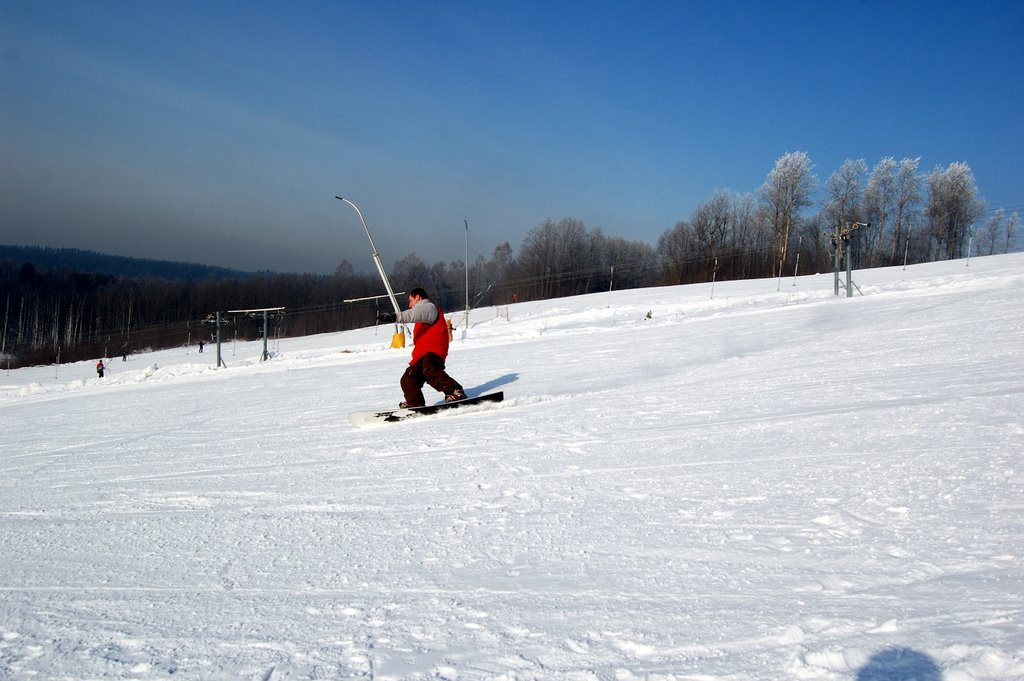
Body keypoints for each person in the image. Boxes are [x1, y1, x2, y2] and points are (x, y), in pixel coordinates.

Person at [378, 287, 466, 408]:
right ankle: (415, 403)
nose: (409, 305)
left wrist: (394, 317)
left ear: (418, 297)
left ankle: (456, 391)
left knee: (429, 369)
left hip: (434, 352)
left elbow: (412, 314)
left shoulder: (428, 308)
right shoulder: (422, 316)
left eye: (411, 301)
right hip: (421, 356)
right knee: (407, 379)